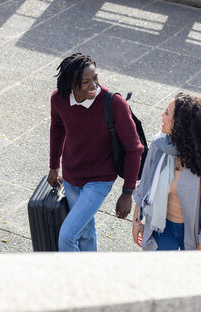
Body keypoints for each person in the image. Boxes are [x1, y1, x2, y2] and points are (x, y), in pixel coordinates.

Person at [48, 53, 144, 252]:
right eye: (86, 82)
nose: (94, 85)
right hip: (71, 175)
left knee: (66, 236)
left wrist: (128, 192)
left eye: (95, 78)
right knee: (85, 231)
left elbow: (134, 149)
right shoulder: (59, 99)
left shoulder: (115, 104)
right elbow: (57, 127)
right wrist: (53, 166)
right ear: (71, 83)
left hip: (100, 178)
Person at [132, 93, 201, 250]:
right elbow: (146, 184)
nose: (162, 115)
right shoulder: (159, 145)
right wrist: (137, 220)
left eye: (167, 113)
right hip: (162, 228)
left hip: (196, 232)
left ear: (181, 124)